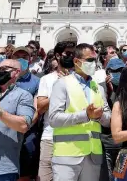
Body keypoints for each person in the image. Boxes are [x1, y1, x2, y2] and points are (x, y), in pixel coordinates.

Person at [48, 43, 111, 181]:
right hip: (67, 155)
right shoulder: (62, 84)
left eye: (95, 60)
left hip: (93, 155)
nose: (94, 63)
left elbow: (108, 119)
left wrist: (99, 116)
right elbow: (53, 118)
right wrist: (86, 115)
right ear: (76, 61)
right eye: (90, 60)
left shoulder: (98, 88)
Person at [37, 41, 74, 181]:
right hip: (50, 137)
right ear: (58, 56)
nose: (71, 56)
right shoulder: (47, 79)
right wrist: (60, 89)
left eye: (73, 54)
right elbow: (40, 107)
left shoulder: (79, 78)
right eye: (67, 54)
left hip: (72, 138)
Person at [10, 47, 40, 181]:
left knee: (24, 174)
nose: (21, 59)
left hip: (27, 134)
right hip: (5, 133)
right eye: (17, 56)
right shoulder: (0, 78)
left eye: (24, 56)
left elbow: (37, 109)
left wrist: (24, 126)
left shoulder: (37, 81)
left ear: (30, 59)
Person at [100, 58, 126, 181]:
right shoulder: (100, 88)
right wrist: (107, 91)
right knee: (108, 178)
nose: (117, 73)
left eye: (120, 70)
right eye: (114, 71)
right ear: (107, 72)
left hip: (124, 145)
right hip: (106, 143)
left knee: (122, 177)